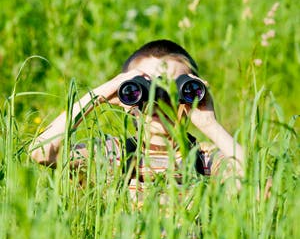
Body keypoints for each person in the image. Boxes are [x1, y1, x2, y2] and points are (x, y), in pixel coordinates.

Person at [30, 39, 244, 201]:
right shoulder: (113, 155)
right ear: (126, 94)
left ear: (191, 92)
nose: (158, 101)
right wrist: (99, 95)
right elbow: (41, 152)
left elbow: (256, 187)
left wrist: (209, 124)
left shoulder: (205, 159)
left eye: (172, 89)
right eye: (144, 87)